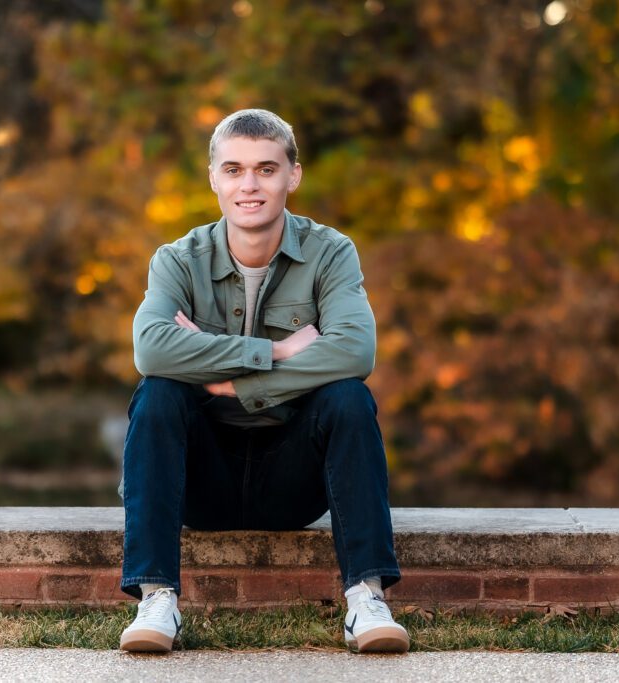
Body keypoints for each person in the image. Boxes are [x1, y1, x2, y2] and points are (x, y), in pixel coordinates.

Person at [118, 108, 408, 654]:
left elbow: (355, 349)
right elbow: (151, 349)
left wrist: (239, 383)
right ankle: (156, 601)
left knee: (349, 397)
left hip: (292, 480)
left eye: (265, 169)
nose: (249, 185)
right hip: (199, 484)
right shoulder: (178, 260)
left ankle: (366, 600)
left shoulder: (330, 252)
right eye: (233, 170)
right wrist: (273, 350)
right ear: (213, 178)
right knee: (156, 394)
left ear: (292, 176)